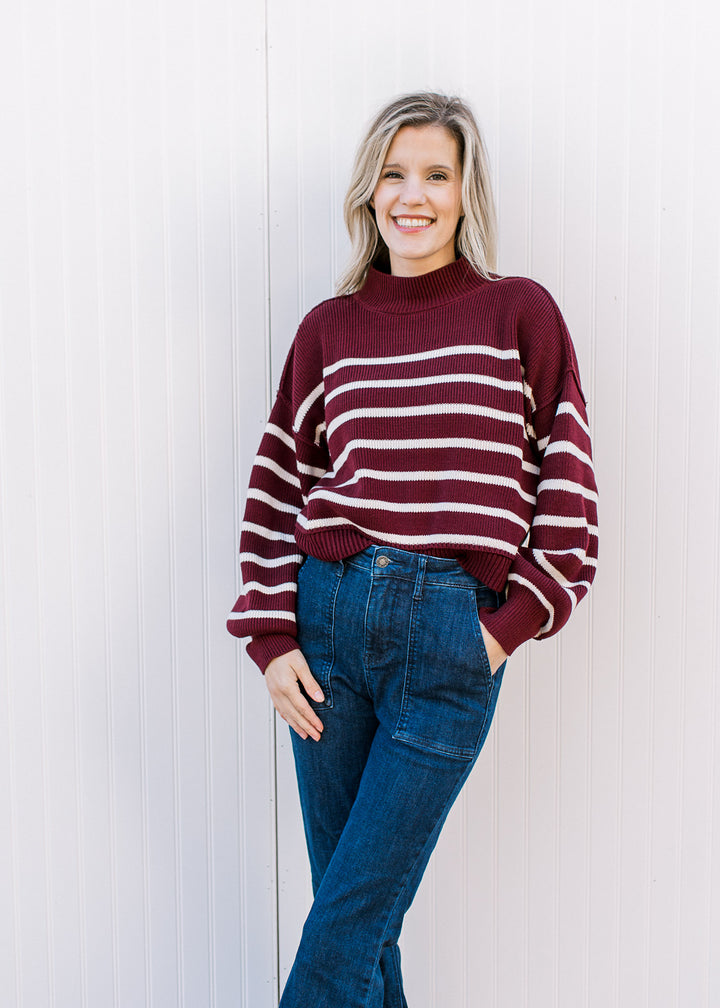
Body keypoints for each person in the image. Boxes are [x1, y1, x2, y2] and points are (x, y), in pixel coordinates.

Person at [228, 91, 598, 1008]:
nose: (413, 195)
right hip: (329, 624)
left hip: (450, 636)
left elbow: (570, 478)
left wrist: (505, 631)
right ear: (369, 191)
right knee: (361, 925)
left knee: (343, 928)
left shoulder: (519, 313)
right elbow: (280, 481)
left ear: (467, 191)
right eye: (395, 173)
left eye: (437, 174)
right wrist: (272, 638)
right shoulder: (329, 328)